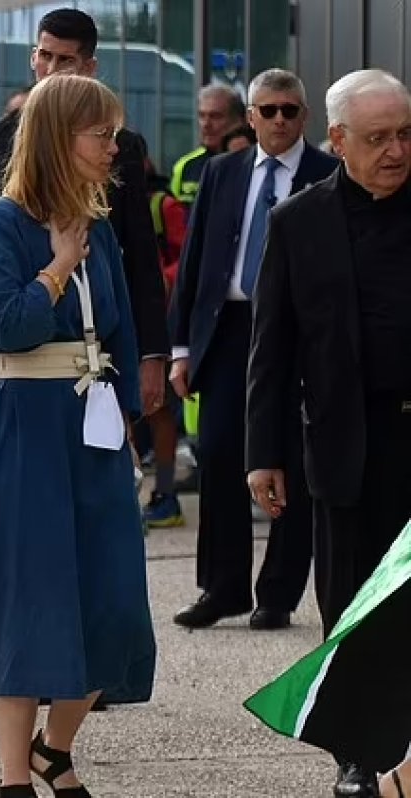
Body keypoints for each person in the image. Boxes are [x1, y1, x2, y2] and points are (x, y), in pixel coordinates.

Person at [0, 74, 155, 798]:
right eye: (100, 134)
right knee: (26, 595)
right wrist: (58, 266)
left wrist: (127, 419)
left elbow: (122, 332)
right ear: (57, 139)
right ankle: (15, 777)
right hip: (24, 425)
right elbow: (6, 328)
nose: (113, 148)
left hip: (92, 427)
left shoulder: (99, 225)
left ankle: (54, 749)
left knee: (114, 600)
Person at [246, 68, 411, 798]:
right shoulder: (299, 222)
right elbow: (271, 349)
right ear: (338, 140)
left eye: (405, 134)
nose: (396, 150)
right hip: (350, 445)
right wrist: (263, 454)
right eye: (378, 138)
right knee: (351, 602)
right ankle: (358, 753)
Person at [170, 68, 336, 633]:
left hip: (299, 333)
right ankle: (222, 588)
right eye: (269, 110)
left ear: (305, 117)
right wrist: (180, 347)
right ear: (251, 117)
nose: (280, 120)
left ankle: (278, 593)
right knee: (218, 452)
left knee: (291, 458)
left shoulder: (327, 174)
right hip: (230, 328)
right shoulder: (222, 172)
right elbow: (194, 262)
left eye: (290, 110)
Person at [0, 8, 169, 444]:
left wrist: (143, 370)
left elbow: (139, 262)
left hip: (93, 398)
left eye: (65, 60)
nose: (51, 69)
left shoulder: (101, 214)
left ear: (89, 66)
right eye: (44, 56)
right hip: (21, 396)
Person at [169, 84, 247, 208]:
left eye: (215, 116)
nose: (206, 124)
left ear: (238, 121)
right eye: (202, 115)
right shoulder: (185, 165)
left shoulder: (257, 163)